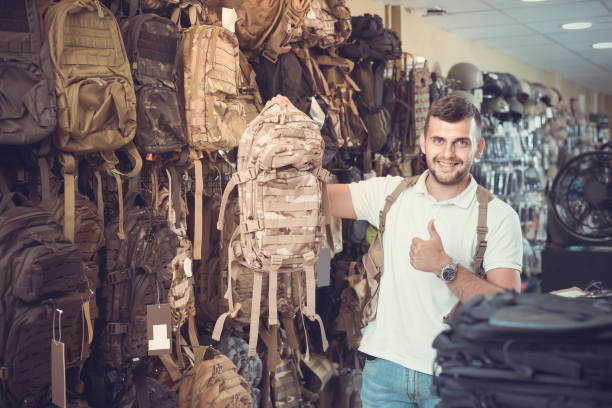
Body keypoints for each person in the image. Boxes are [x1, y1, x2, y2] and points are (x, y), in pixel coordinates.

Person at [327, 94, 523, 407]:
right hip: (384, 373)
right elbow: (317, 199)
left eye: (461, 142)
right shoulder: (389, 193)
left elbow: (507, 308)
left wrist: (446, 267)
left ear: (480, 147)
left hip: (454, 375)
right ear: (423, 142)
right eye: (438, 140)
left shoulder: (499, 216)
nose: (447, 153)